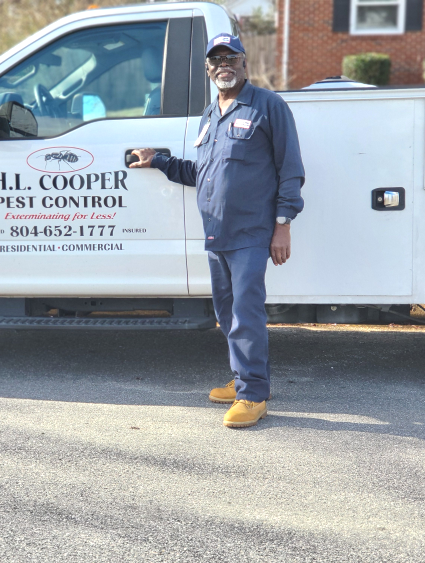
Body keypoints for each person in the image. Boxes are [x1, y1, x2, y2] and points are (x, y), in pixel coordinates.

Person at [130, 33, 305, 428]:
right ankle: (244, 377)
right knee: (226, 312)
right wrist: (159, 160)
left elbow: (290, 170)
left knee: (245, 313)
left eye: (231, 57)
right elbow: (201, 172)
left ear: (245, 63)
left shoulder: (268, 106)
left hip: (251, 232)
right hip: (215, 233)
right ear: (208, 69)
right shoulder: (210, 115)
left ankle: (254, 395)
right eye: (216, 59)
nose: (224, 63)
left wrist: (283, 226)